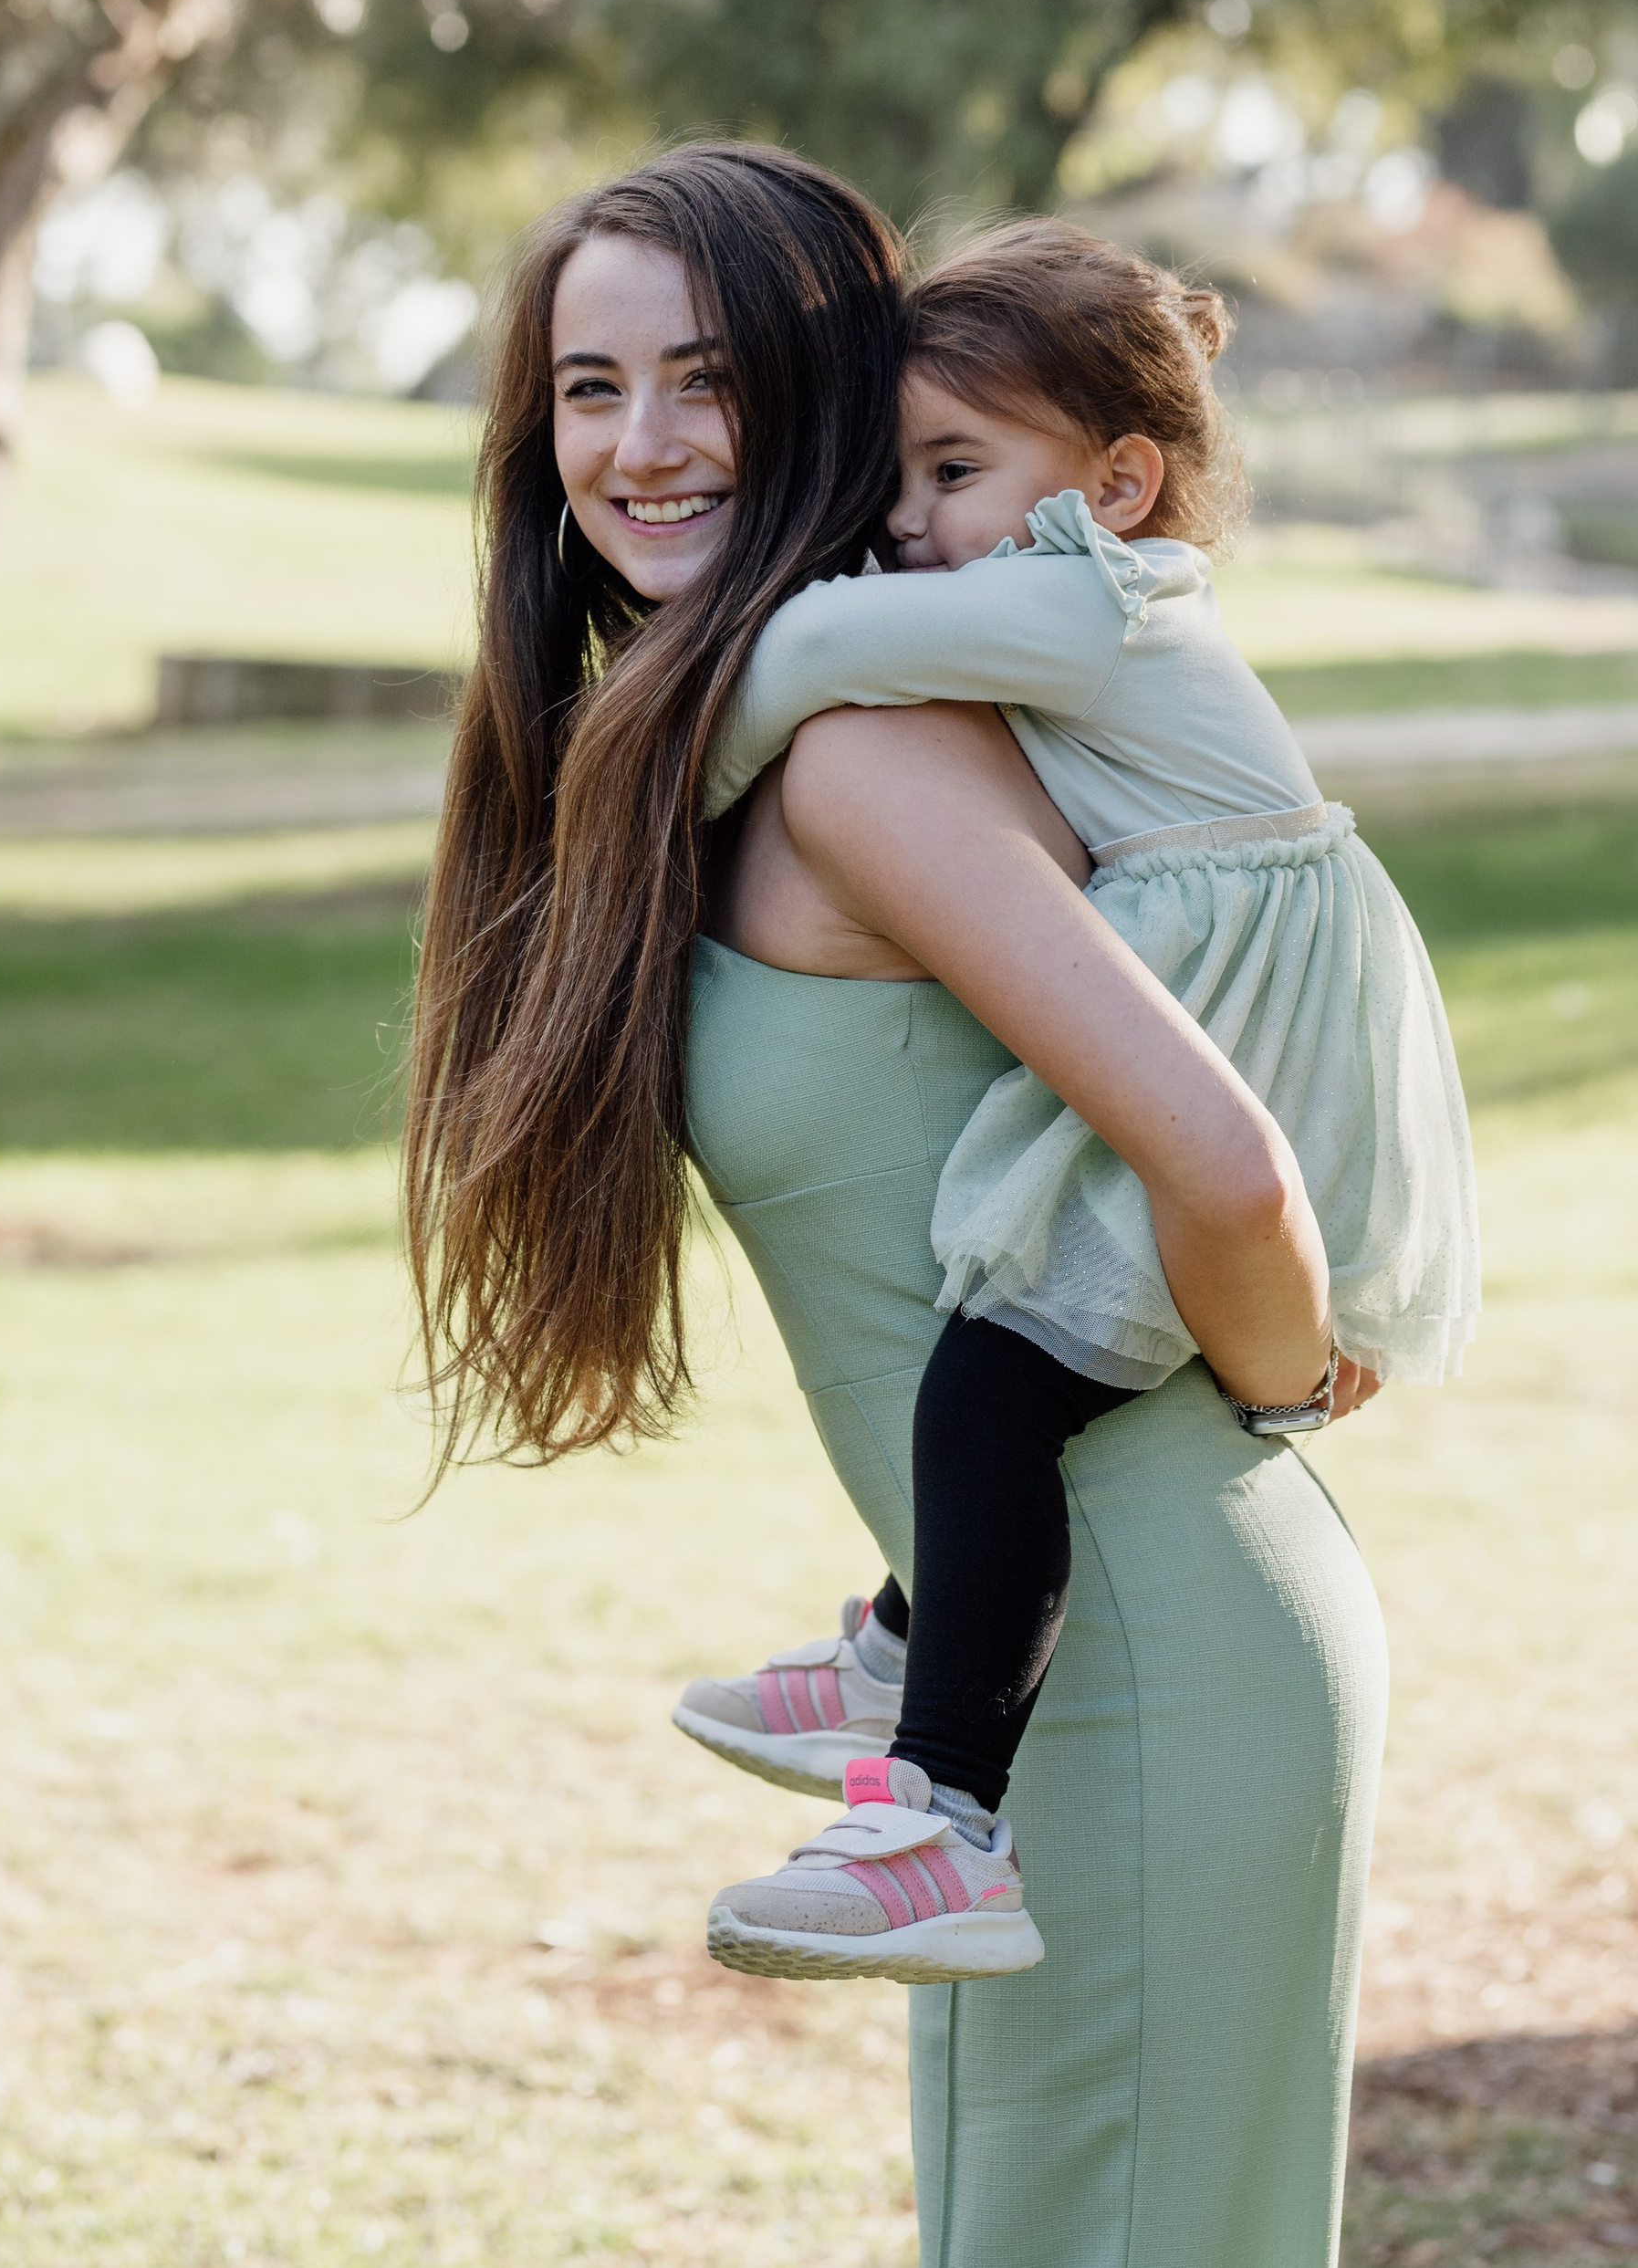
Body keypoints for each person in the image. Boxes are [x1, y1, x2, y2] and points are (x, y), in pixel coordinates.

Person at [405, 141, 1389, 2268]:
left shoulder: (861, 756)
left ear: (825, 403)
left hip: (1147, 1658)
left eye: (705, 379)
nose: (639, 443)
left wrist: (1294, 1384)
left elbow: (1222, 1161)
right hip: (1029, 1674)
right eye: (589, 387)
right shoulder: (743, 748)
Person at [677, 221, 1476, 1979]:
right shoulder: (1058, 596)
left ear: (1121, 480)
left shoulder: (1085, 596)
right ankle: (912, 1633)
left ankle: (942, 1811)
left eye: (954, 469)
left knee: (990, 1388)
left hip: (1242, 995)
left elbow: (805, 660)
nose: (907, 519)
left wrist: (648, 780)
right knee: (1019, 1356)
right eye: (897, 476)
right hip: (1217, 969)